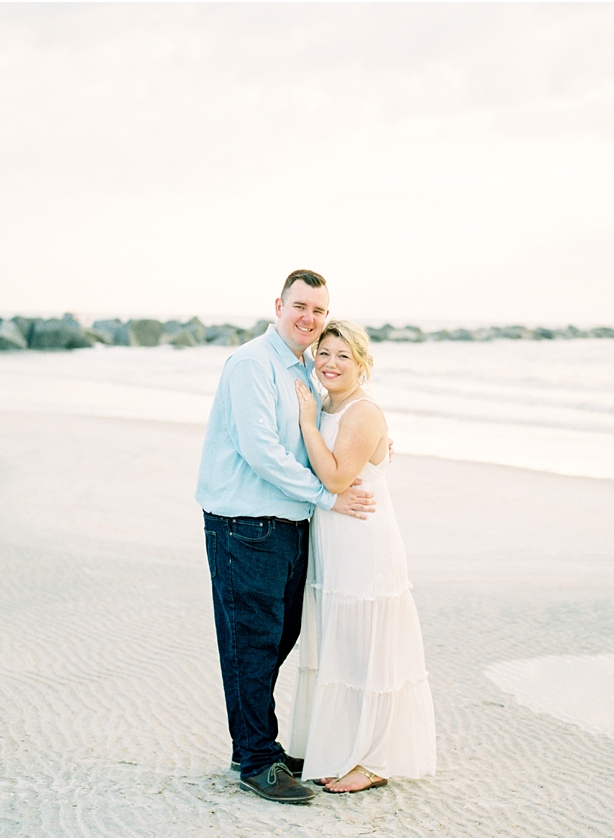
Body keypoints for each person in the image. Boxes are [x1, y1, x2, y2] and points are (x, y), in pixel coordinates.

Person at [195, 270, 376, 804]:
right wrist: (327, 497)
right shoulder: (252, 363)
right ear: (278, 305)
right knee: (251, 642)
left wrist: (377, 443)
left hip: (288, 523)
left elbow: (321, 435)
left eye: (318, 311)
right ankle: (256, 758)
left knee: (280, 636)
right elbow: (261, 452)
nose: (309, 318)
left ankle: (252, 742)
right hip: (244, 525)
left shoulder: (302, 365)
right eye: (300, 306)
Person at [288, 320, 437, 793]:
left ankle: (374, 761)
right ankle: (342, 749)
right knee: (341, 647)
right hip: (333, 540)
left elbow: (333, 478)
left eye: (342, 356)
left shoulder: (362, 411)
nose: (330, 363)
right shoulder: (329, 401)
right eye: (324, 353)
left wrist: (307, 424)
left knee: (368, 651)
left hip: (364, 543)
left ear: (362, 363)